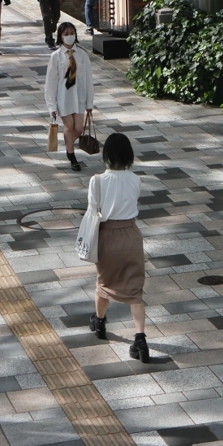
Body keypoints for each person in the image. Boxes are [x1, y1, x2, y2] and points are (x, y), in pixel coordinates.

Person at [87, 133, 149, 362]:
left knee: (105, 282)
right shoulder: (135, 179)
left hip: (108, 236)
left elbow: (93, 210)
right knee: (135, 290)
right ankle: (140, 339)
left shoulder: (97, 181)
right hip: (131, 236)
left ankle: (100, 321)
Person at [44, 22, 93, 171]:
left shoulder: (82, 55)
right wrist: (52, 105)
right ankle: (72, 157)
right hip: (64, 97)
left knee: (78, 128)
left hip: (79, 97)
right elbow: (51, 82)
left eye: (71, 33)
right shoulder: (56, 56)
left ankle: (68, 146)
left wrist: (89, 103)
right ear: (60, 36)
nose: (69, 36)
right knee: (69, 126)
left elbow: (88, 79)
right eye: (65, 34)